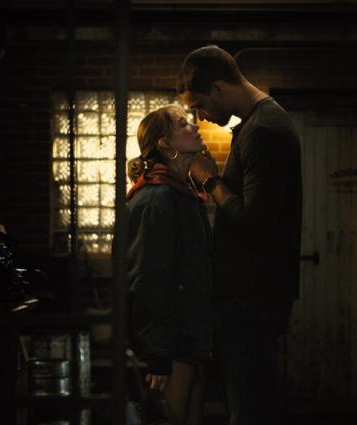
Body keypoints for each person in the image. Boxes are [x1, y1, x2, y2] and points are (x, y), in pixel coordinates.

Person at [177, 45, 302, 425]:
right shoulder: (257, 124)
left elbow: (253, 223)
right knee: (256, 399)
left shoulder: (263, 130)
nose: (201, 117)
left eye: (200, 105)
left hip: (251, 295)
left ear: (218, 88)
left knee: (249, 407)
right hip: (253, 292)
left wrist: (210, 180)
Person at [126, 104, 213, 425]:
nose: (195, 126)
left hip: (188, 339)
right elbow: (148, 280)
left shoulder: (183, 194)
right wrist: (158, 355)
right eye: (183, 124)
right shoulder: (156, 199)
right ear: (165, 144)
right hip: (172, 343)